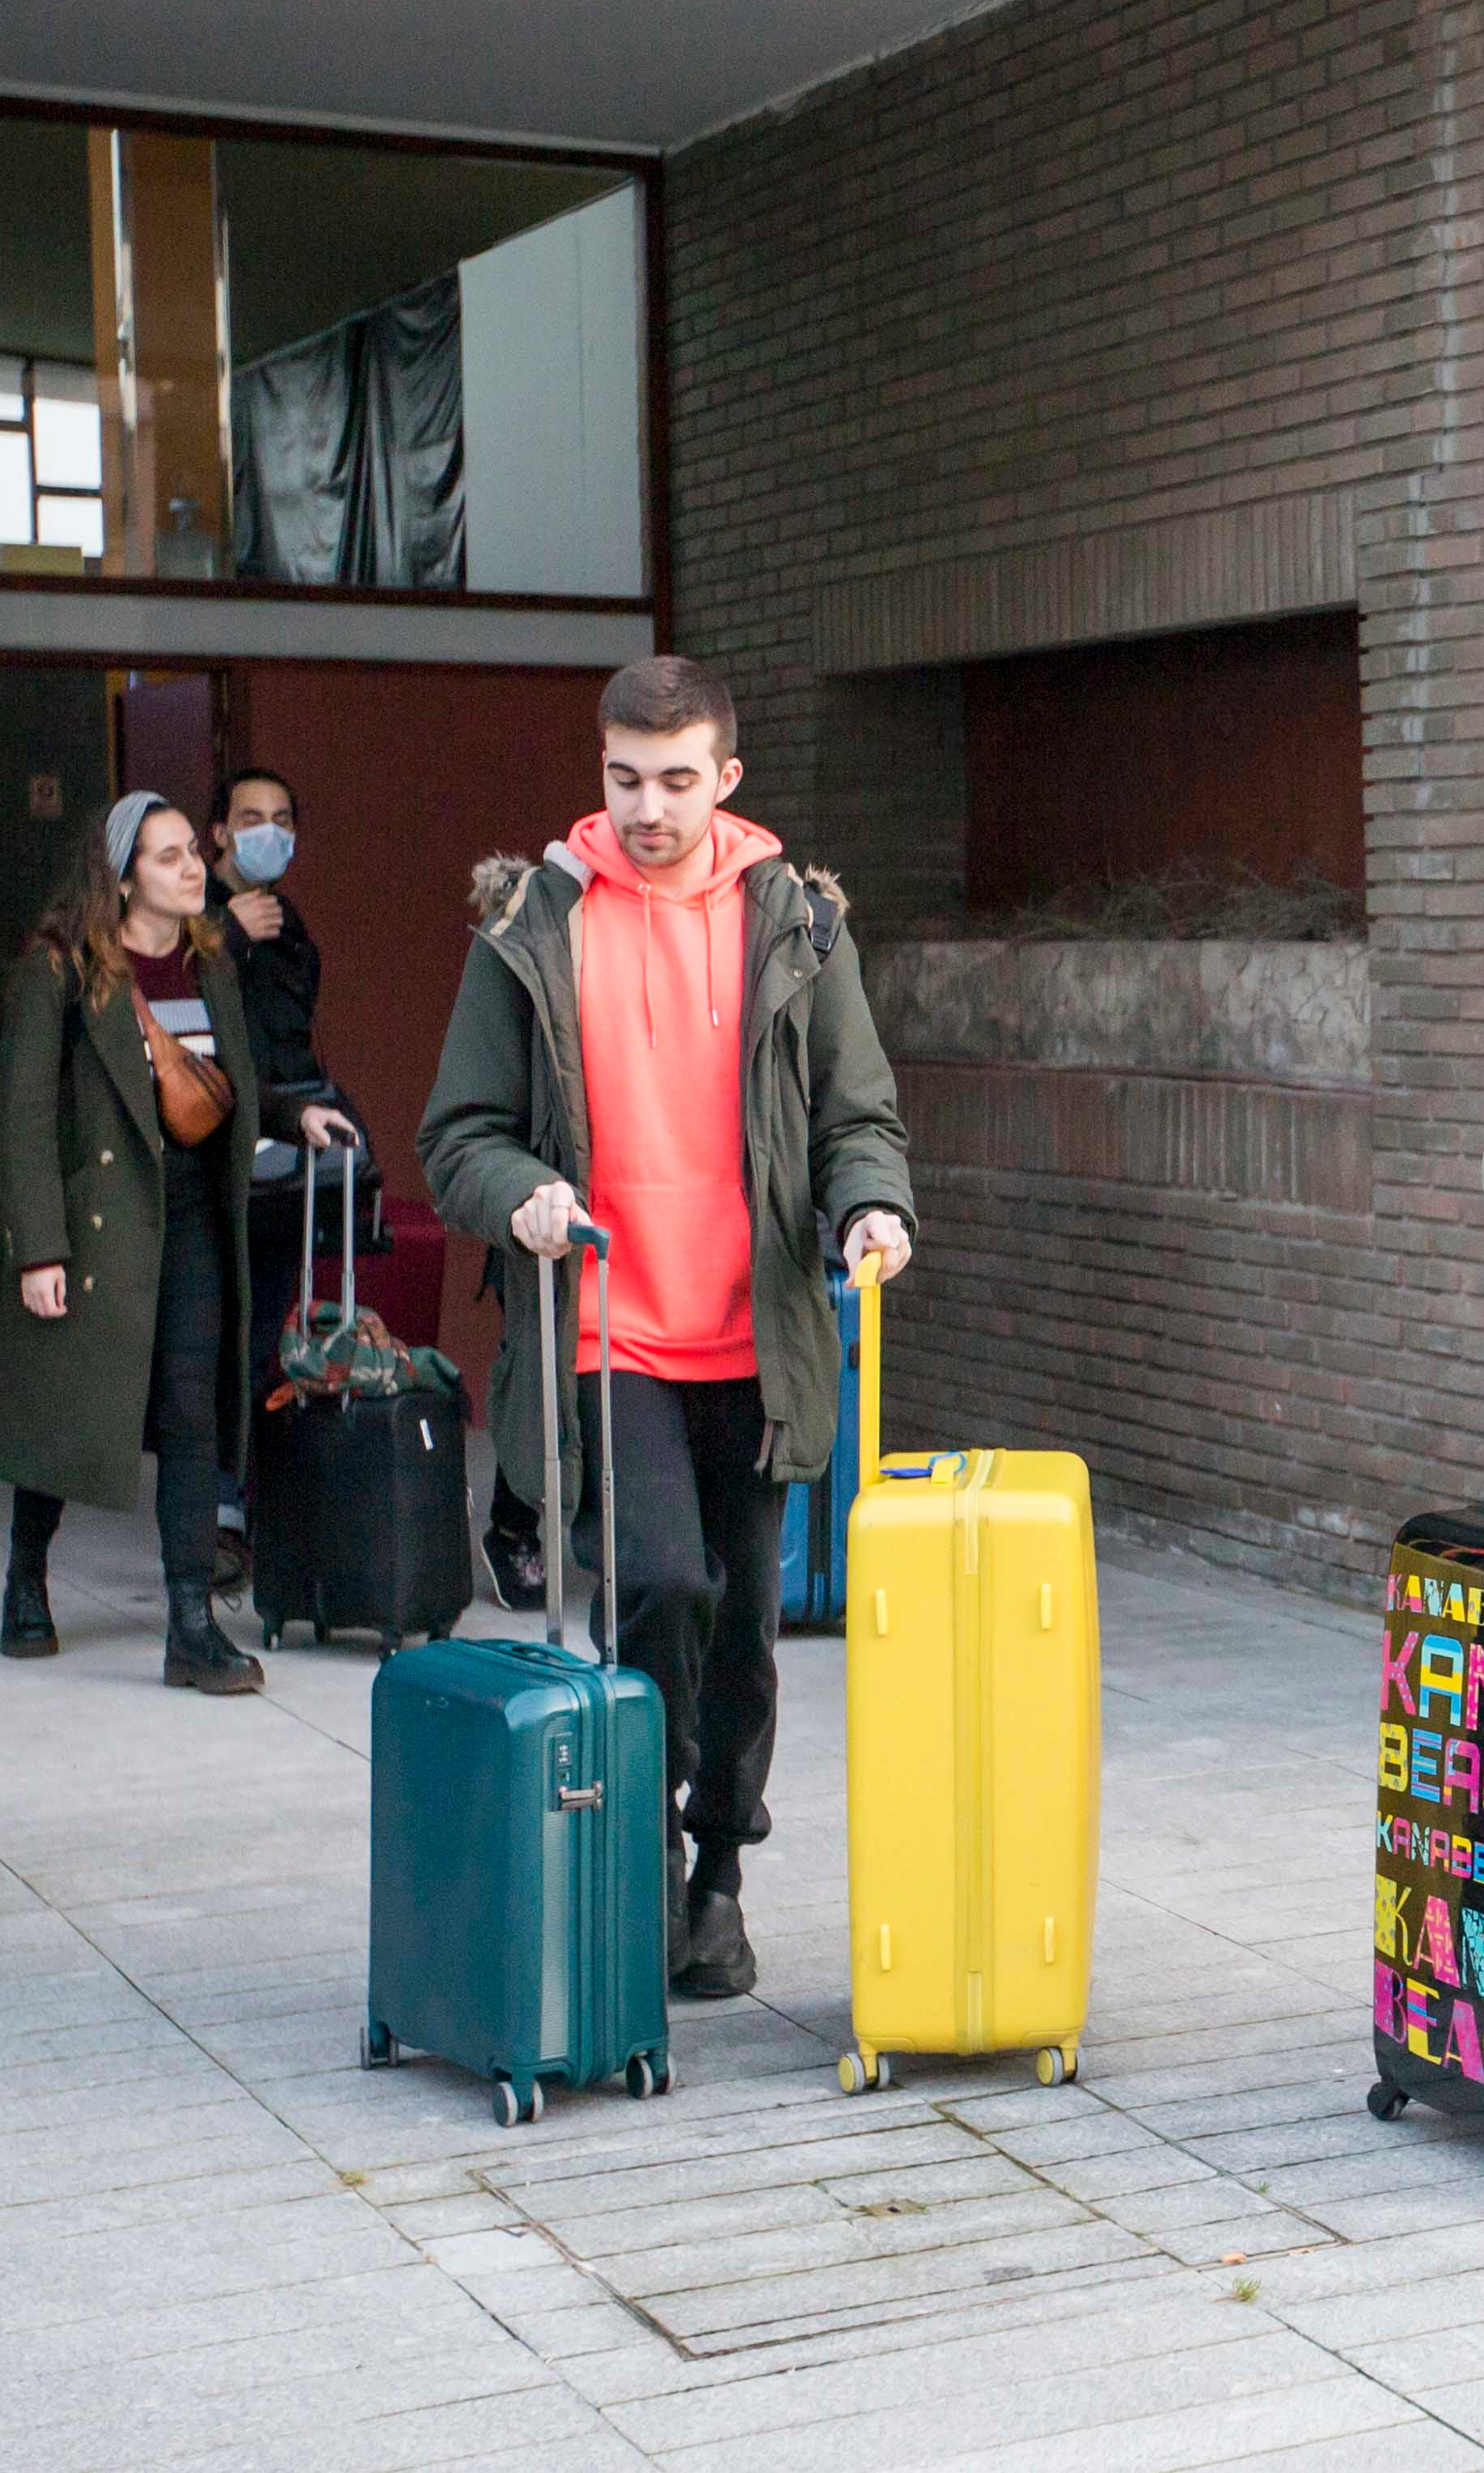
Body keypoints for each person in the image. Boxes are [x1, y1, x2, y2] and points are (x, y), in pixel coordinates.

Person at [424, 654, 913, 1999]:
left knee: (743, 1624)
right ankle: (634, 1855)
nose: (648, 806)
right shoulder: (533, 920)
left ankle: (717, 1874)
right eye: (623, 778)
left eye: (677, 779)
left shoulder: (798, 926)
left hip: (752, 1336)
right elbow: (453, 1134)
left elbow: (852, 1113)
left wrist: (870, 1204)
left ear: (727, 778)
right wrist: (519, 1191)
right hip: (603, 1332)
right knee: (659, 1583)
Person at [0, 792, 353, 1689]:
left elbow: (228, 1077)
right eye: (168, 856)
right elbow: (24, 1117)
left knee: (190, 1407)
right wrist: (40, 1248)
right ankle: (25, 1571)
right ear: (121, 877)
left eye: (193, 850)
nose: (193, 868)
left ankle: (190, 1622)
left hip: (191, 1210)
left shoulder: (210, 960)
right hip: (97, 1217)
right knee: (81, 1404)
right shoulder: (60, 971)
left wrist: (294, 1111)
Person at [208, 766, 329, 1596]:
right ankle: (213, 1514)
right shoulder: (191, 925)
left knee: (262, 1347)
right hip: (209, 1165)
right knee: (210, 1348)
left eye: (282, 818)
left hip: (284, 1165)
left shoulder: (291, 930)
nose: (267, 832)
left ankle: (242, 1511)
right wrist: (222, 931)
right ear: (217, 832)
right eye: (250, 817)